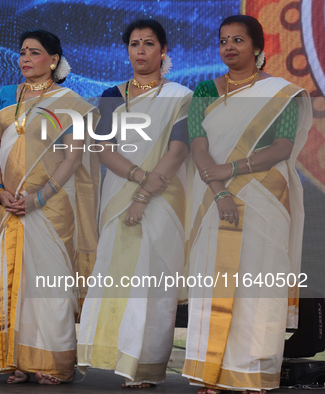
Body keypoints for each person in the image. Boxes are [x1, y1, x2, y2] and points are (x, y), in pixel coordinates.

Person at [184, 15, 312, 394]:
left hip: (265, 197)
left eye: (238, 40)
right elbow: (197, 144)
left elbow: (282, 148)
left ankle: (251, 373)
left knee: (258, 285)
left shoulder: (282, 93)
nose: (229, 47)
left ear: (258, 48)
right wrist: (221, 190)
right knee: (213, 284)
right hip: (212, 196)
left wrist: (231, 168)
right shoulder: (205, 90)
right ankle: (212, 375)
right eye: (223, 40)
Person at [0, 29, 100, 385]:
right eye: (22, 52)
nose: (25, 58)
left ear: (54, 60)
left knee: (49, 284)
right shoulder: (3, 96)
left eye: (34, 52)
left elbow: (74, 158)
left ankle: (53, 361)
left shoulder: (70, 101)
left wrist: (40, 197)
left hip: (50, 204)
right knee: (11, 281)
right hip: (9, 203)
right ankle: (16, 357)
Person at [76, 19, 192, 388]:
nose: (140, 51)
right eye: (134, 44)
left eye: (149, 44)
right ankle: (118, 358)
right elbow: (104, 150)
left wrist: (146, 194)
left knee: (154, 282)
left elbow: (177, 151)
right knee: (118, 277)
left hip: (164, 199)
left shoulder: (181, 96)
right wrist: (140, 179)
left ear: (163, 51)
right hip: (119, 196)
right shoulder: (112, 94)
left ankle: (147, 369)